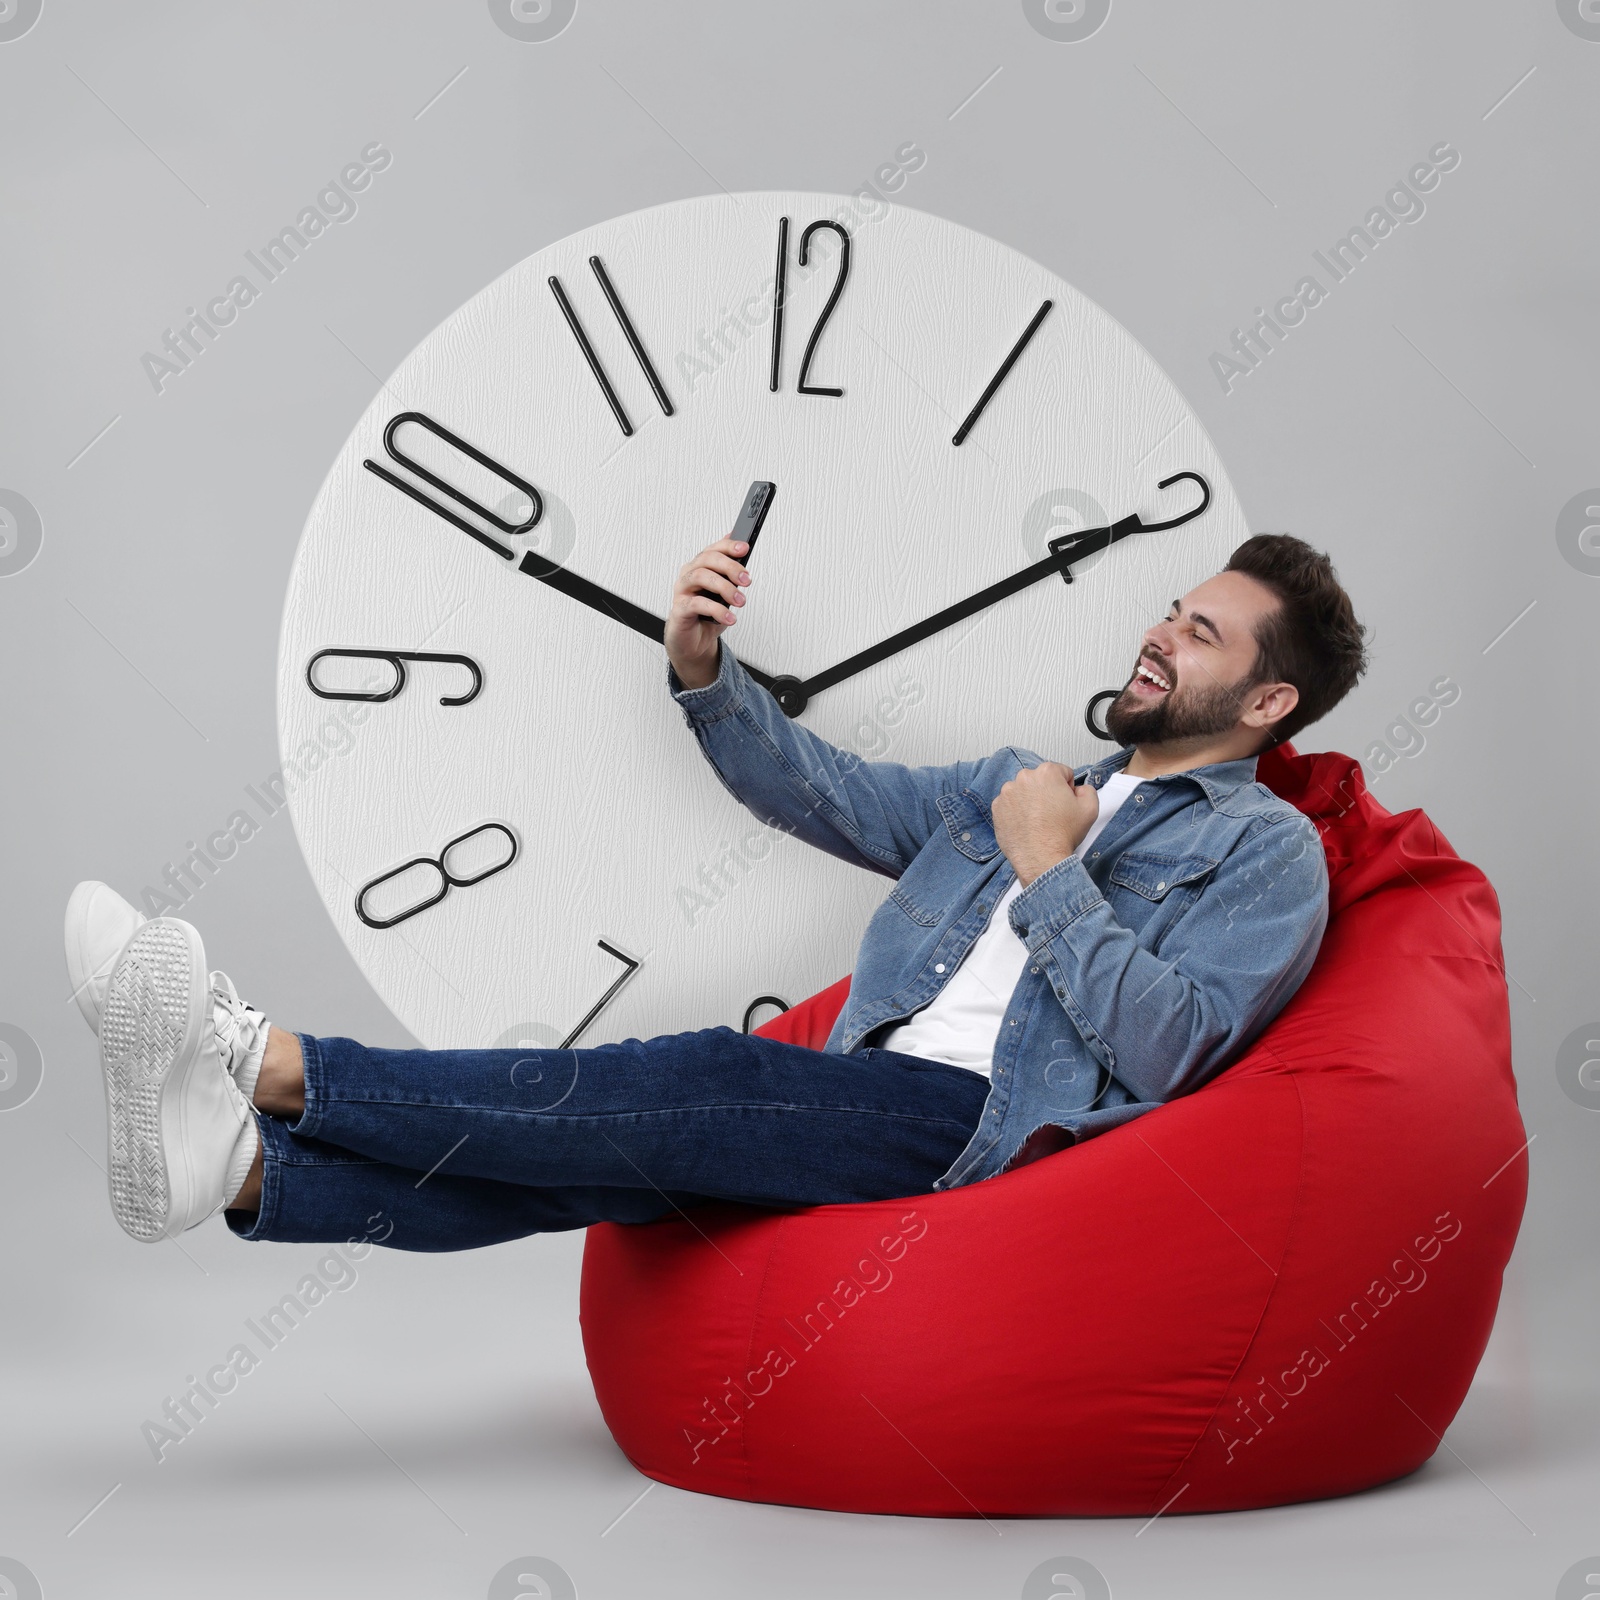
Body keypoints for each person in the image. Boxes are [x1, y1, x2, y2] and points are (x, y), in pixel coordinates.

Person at [67, 529, 1367, 1250]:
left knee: (681, 1073)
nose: (1157, 632)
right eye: (1169, 608)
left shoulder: (1267, 855)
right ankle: (236, 1172)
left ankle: (257, 1059)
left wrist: (1047, 868)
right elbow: (825, 790)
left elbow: (1176, 1046)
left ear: (1265, 701)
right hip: (886, 1081)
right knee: (593, 1178)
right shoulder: (1033, 782)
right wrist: (703, 668)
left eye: (1199, 633)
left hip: (977, 1131)